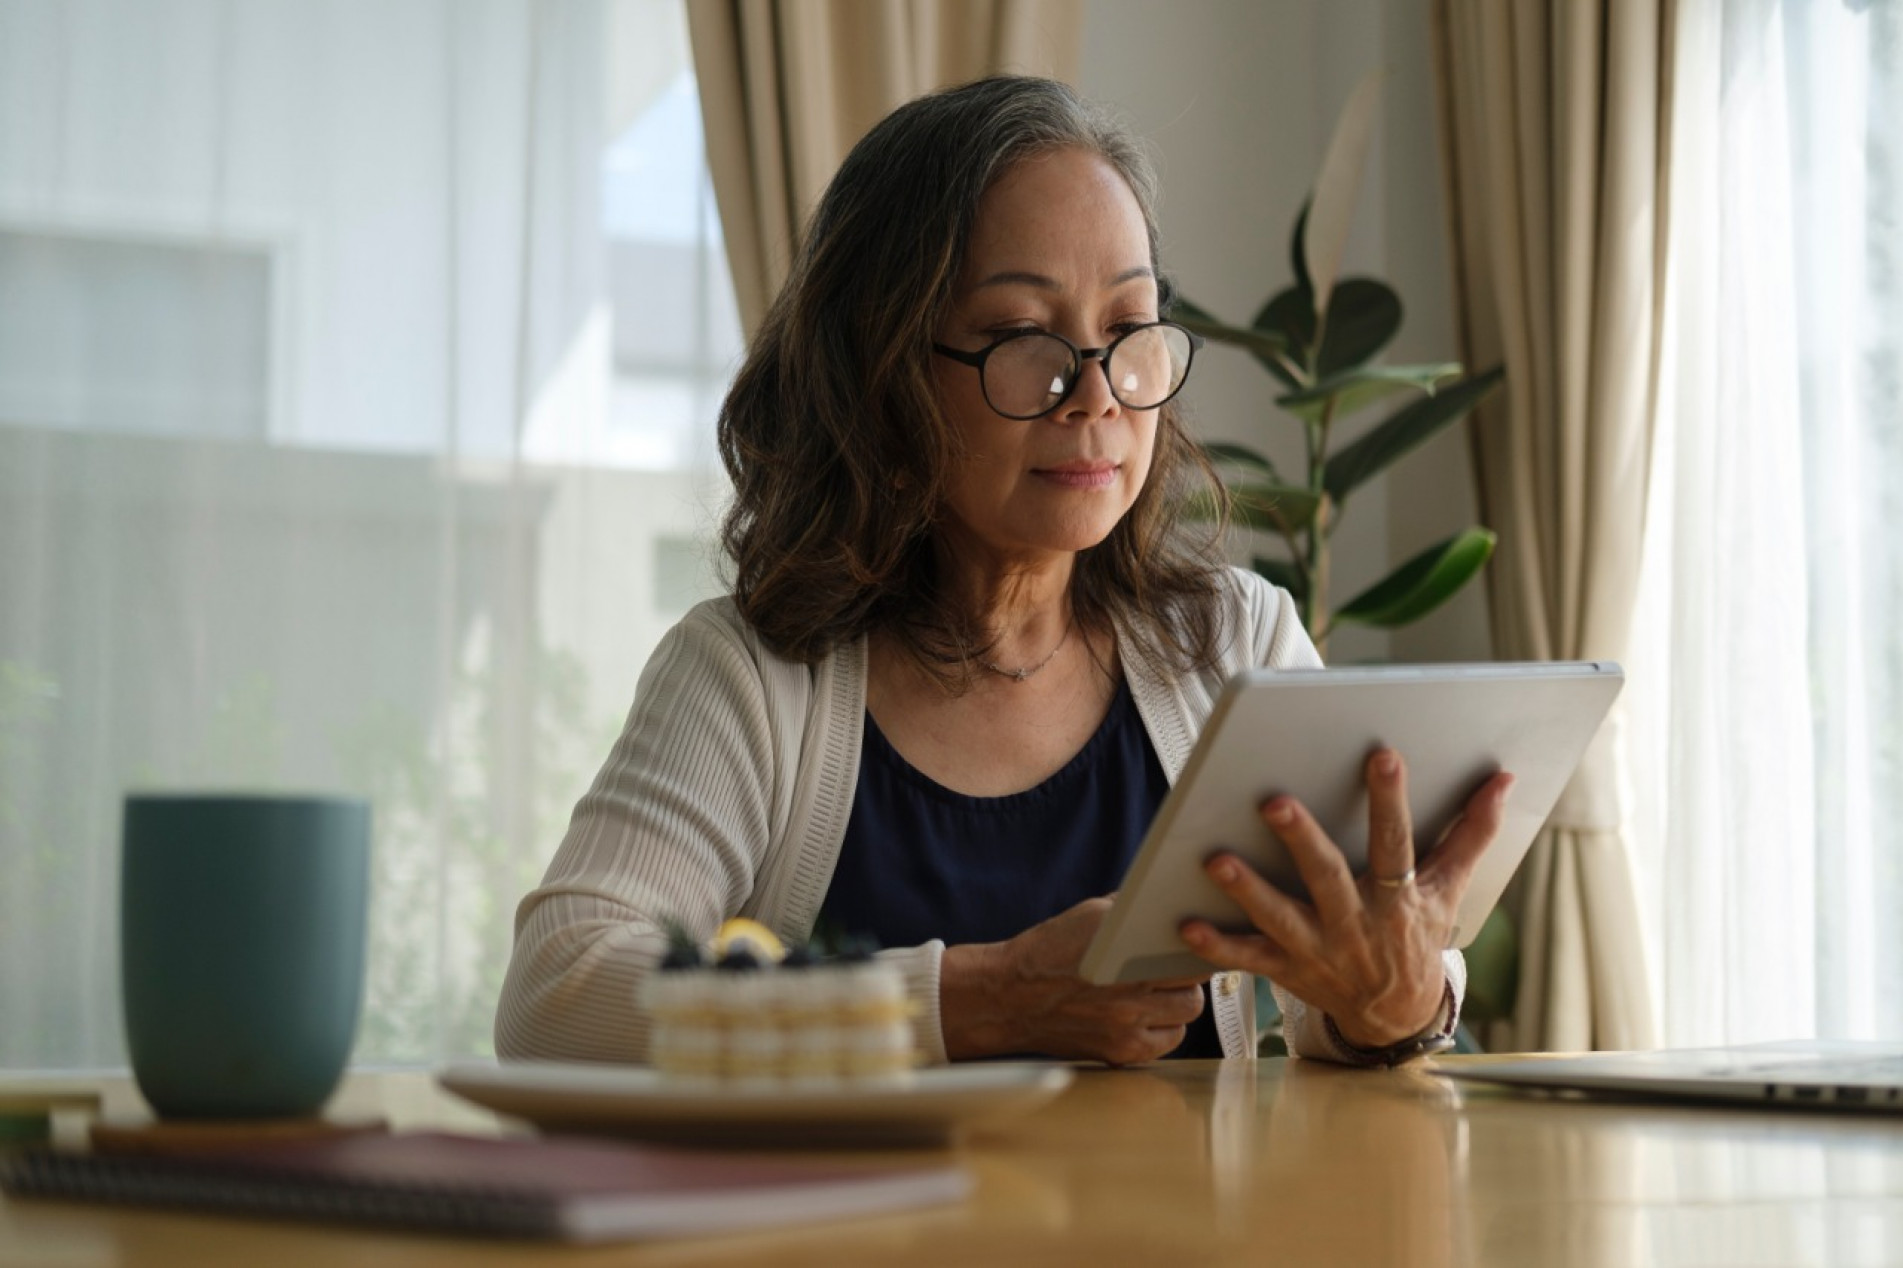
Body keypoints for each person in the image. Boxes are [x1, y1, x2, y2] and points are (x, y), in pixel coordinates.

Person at [495, 75, 1513, 1069]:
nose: (1095, 395)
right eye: (1022, 337)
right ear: (883, 369)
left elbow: (1343, 1006)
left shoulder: (1234, 643)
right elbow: (559, 993)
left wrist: (1400, 993)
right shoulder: (753, 676)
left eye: (1126, 329)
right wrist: (976, 1001)